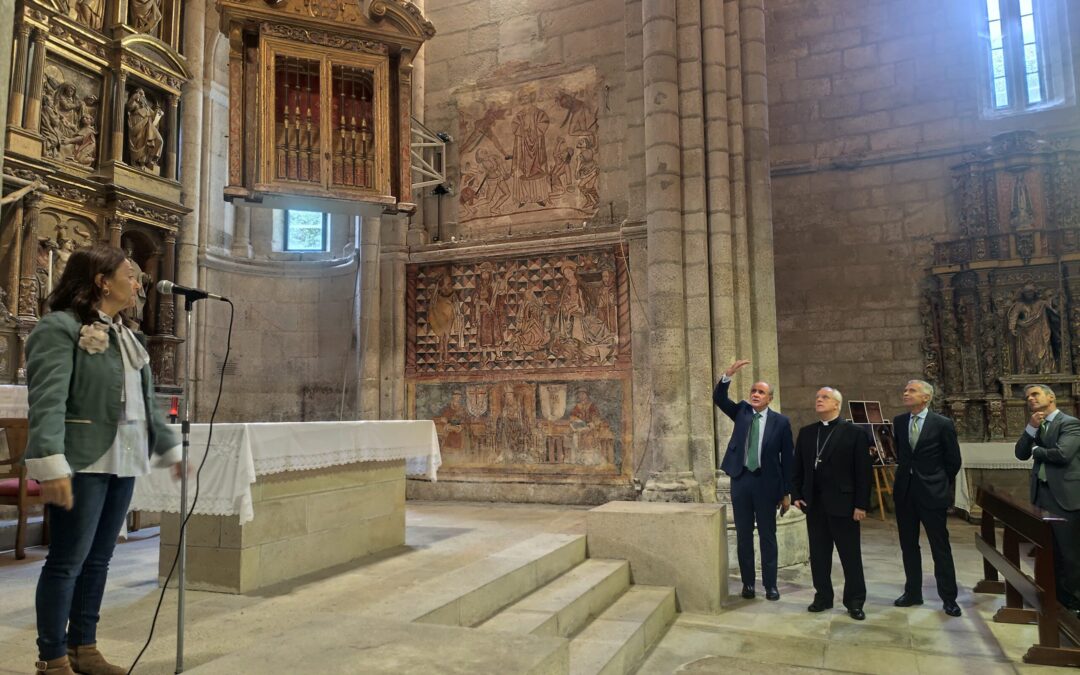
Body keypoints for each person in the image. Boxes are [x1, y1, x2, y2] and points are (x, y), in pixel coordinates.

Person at [24, 244, 181, 675]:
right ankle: (52, 657)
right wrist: (51, 463)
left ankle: (84, 647)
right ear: (102, 281)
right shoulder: (59, 328)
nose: (138, 285)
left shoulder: (128, 336)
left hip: (123, 458)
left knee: (99, 559)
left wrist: (168, 446)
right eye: (130, 275)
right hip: (81, 460)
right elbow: (47, 401)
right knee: (66, 562)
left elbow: (145, 402)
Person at [713, 359, 794, 602]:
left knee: (767, 536)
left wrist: (786, 492)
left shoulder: (781, 422)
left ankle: (770, 585)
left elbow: (788, 460)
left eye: (761, 392)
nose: (756, 394)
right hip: (741, 480)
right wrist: (727, 375)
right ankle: (748, 584)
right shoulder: (742, 411)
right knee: (744, 535)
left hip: (766, 484)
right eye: (753, 391)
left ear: (770, 398)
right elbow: (719, 399)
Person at [792, 387, 871, 620]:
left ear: (837, 404)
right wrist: (796, 494)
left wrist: (861, 505)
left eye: (824, 397)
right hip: (814, 505)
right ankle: (823, 597)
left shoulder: (854, 433)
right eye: (817, 397)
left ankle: (855, 601)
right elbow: (797, 468)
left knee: (850, 556)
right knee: (819, 556)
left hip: (844, 505)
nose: (819, 400)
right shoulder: (807, 433)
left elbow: (863, 472)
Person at [891, 380, 962, 617]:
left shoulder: (942, 424)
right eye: (905, 390)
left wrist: (938, 482)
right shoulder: (899, 422)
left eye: (911, 390)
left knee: (939, 546)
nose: (905, 393)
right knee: (908, 545)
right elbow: (902, 454)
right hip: (905, 492)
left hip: (932, 493)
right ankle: (913, 592)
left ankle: (949, 598)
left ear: (926, 397)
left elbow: (953, 460)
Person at [1014, 384, 1080, 617]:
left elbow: (1063, 454)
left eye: (1035, 394)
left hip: (1065, 496)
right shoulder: (1037, 425)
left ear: (1051, 397)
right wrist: (1030, 429)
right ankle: (1055, 597)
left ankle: (1074, 602)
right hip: (1042, 494)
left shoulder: (1069, 423)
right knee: (1049, 550)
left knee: (1069, 553)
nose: (1030, 399)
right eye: (1027, 397)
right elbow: (1020, 453)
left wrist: (1037, 451)